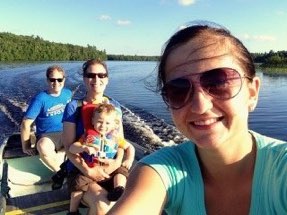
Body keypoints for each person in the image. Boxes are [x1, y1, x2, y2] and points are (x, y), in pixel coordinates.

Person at [108, 21, 287, 215]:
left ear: (252, 92)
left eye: (219, 82)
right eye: (178, 90)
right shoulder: (158, 171)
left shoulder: (282, 170)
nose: (200, 106)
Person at [62, 59, 128, 215]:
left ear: (107, 79)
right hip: (82, 171)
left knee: (128, 201)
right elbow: (68, 148)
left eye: (101, 75)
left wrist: (117, 162)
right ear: (84, 79)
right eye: (91, 75)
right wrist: (89, 171)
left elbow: (120, 143)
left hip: (110, 167)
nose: (96, 79)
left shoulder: (115, 108)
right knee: (104, 206)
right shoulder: (74, 107)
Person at [68, 103, 135, 214]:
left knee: (121, 172)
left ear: (114, 125)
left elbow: (129, 147)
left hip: (110, 169)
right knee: (78, 186)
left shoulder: (115, 137)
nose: (103, 126)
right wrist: (84, 148)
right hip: (90, 170)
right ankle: (73, 211)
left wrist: (129, 159)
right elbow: (72, 148)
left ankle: (118, 189)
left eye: (107, 123)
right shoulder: (87, 137)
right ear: (93, 121)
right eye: (99, 121)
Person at [21, 65, 72, 172]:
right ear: (47, 80)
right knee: (43, 147)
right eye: (52, 79)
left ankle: (66, 160)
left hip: (66, 131)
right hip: (47, 135)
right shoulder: (40, 99)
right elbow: (26, 123)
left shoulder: (68, 94)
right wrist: (26, 146)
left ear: (64, 80)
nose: (56, 83)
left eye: (59, 79)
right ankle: (60, 172)